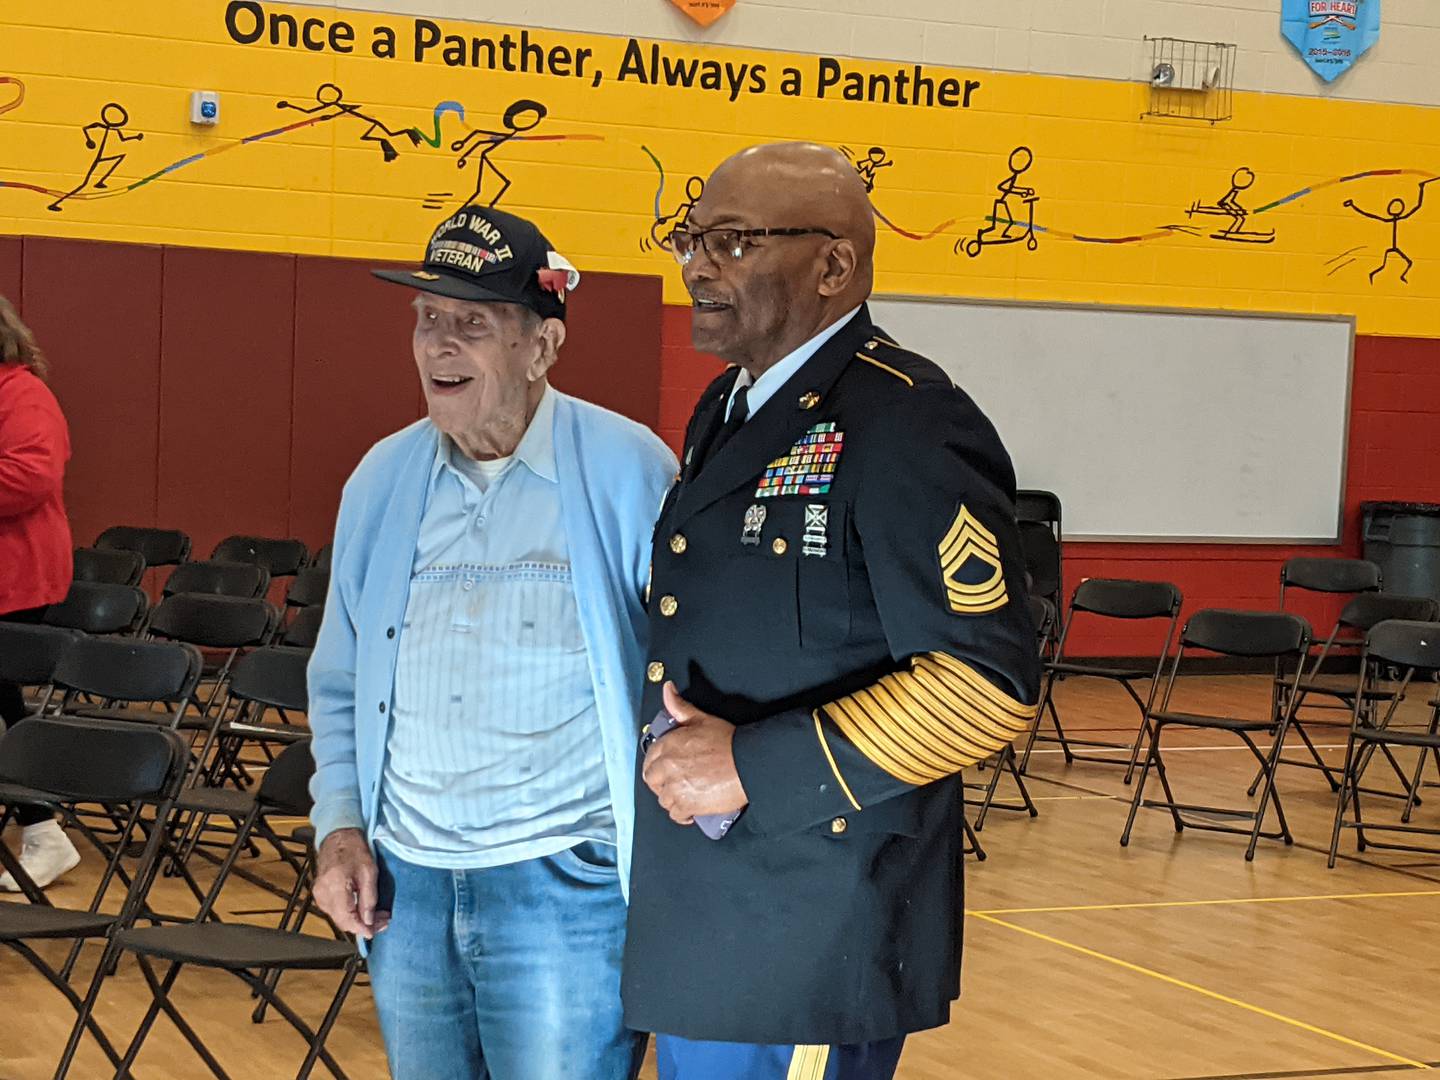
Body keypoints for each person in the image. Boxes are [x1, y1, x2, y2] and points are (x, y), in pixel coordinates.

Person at [622, 143, 1042, 1080]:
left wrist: (751, 767)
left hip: (813, 916)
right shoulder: (728, 409)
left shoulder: (908, 421)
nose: (694, 263)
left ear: (835, 265)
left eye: (731, 241)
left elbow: (986, 685)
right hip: (719, 910)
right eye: (692, 237)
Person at [306, 206, 675, 1080]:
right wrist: (342, 827)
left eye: (471, 324)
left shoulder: (632, 473)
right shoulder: (382, 479)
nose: (440, 345)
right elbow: (342, 681)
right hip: (407, 887)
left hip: (568, 885)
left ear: (542, 346)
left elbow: (681, 676)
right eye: (428, 320)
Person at [0, 295, 80, 891]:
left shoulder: (23, 393)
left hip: (15, 576)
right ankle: (42, 829)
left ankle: (44, 830)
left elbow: (29, 477)